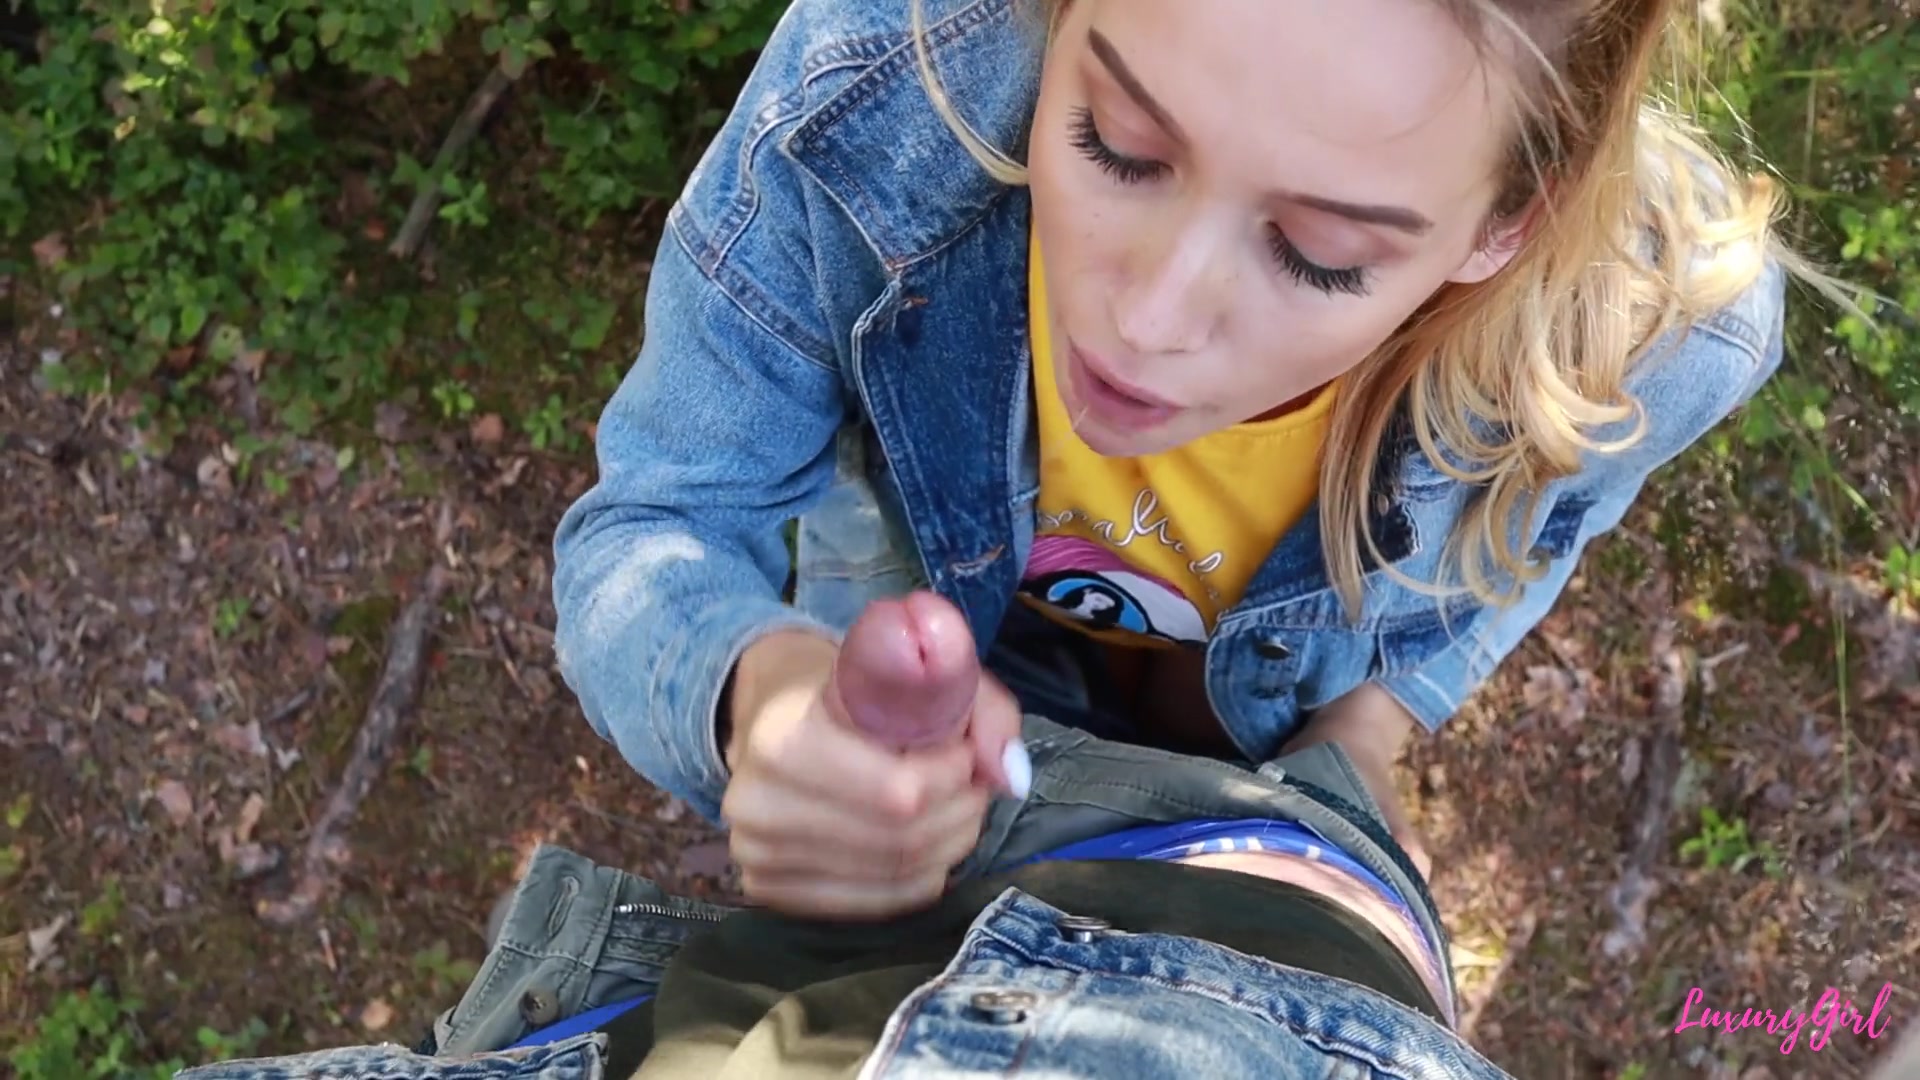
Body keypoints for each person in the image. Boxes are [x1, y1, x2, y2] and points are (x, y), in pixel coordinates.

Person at [549, 0, 1805, 922]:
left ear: (1511, 223)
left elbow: (1537, 536)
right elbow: (661, 519)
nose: (1148, 322)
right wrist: (764, 698)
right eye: (1116, 144)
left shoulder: (1653, 333)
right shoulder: (872, 96)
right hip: (922, 627)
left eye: (1318, 254)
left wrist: (1367, 732)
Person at [178, 710, 1518, 1078]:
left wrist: (766, 690)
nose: (1168, 309)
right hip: (1254, 926)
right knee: (1349, 755)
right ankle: (1352, 753)